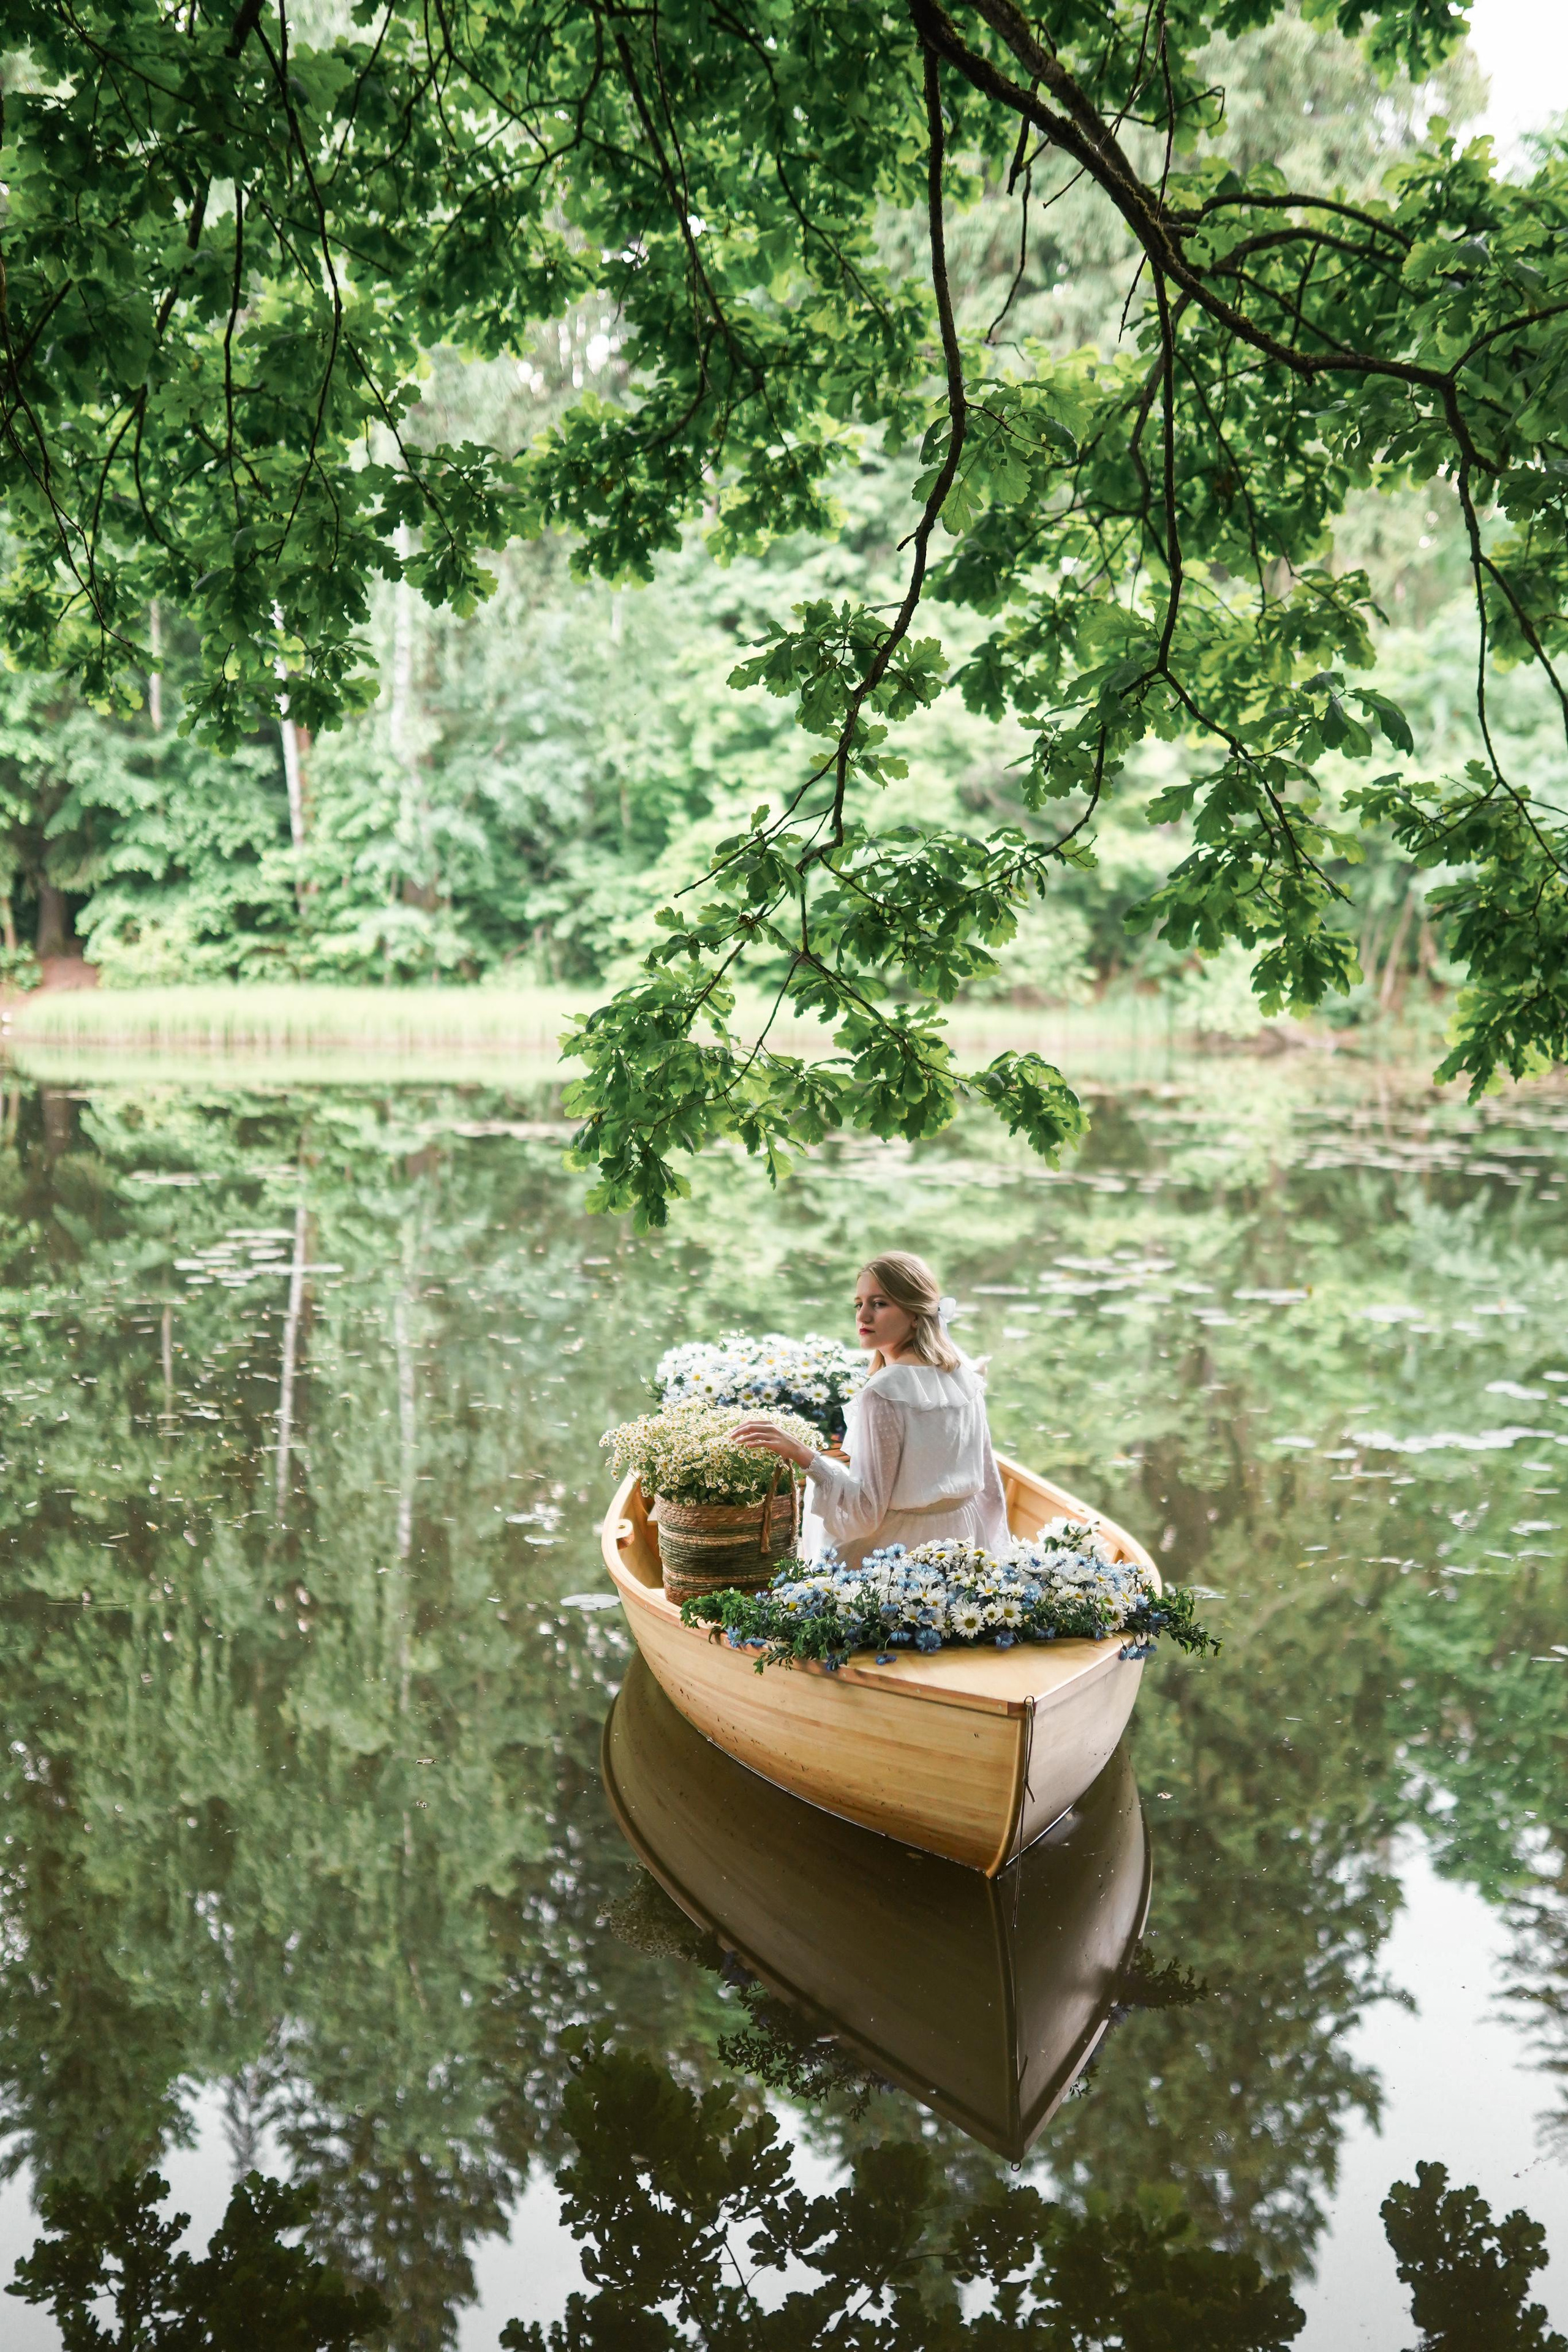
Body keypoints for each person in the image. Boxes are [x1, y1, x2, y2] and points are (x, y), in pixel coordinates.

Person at [731, 1251, 1011, 1569]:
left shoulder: (885, 1391)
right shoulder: (964, 1375)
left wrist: (804, 1456)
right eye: (859, 1304)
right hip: (965, 1543)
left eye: (879, 1304)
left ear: (916, 1315)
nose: (863, 1317)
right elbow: (990, 1488)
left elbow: (866, 1513)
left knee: (819, 1494)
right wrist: (996, 1558)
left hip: (902, 1557)